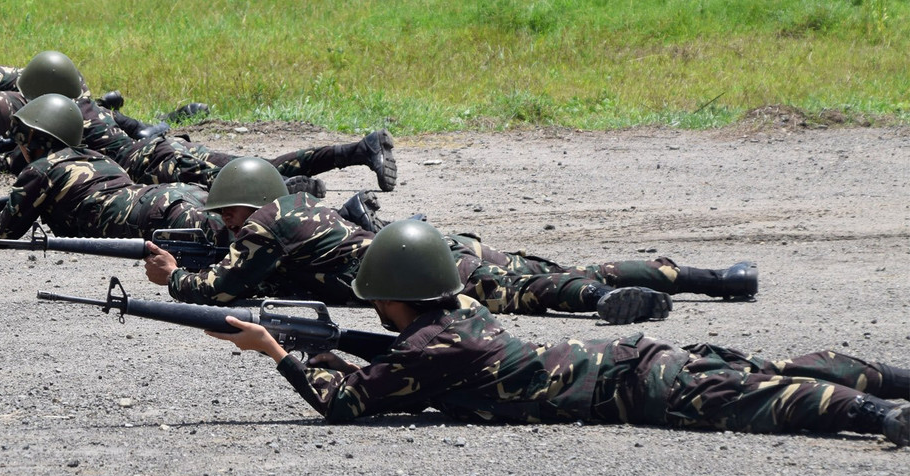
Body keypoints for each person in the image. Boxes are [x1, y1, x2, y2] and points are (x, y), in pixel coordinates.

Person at [205, 218, 910, 446]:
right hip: (631, 360)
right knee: (770, 366)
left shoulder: (428, 349)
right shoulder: (463, 318)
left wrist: (278, 351)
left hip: (635, 385)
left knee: (768, 399)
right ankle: (892, 380)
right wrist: (323, 345)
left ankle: (880, 413)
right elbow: (398, 360)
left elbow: (347, 402)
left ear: (391, 298)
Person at [146, 158, 756, 325]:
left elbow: (226, 289)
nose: (226, 224)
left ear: (244, 205)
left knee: (531, 292)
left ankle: (598, 302)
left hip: (427, 274)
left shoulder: (260, 227)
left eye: (227, 213)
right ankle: (715, 279)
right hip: (434, 246)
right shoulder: (300, 205)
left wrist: (173, 275)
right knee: (552, 267)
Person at [0, 51, 395, 196]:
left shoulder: (60, 119)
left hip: (154, 168)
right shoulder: (86, 104)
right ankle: (357, 150)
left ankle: (295, 189)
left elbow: (22, 158)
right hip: (161, 154)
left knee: (246, 184)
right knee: (254, 166)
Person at [0, 94, 221, 244]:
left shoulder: (40, 171)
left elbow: (1, 234)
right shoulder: (98, 158)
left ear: (32, 140)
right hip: (175, 196)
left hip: (161, 215)